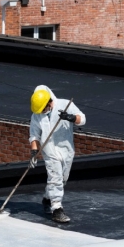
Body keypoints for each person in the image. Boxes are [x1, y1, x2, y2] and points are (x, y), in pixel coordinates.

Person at [29, 85, 86, 223]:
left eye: (44, 108)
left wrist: (71, 118)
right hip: (49, 149)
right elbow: (34, 135)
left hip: (66, 149)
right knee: (55, 178)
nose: (42, 112)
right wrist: (34, 152)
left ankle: (47, 198)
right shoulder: (37, 115)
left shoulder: (65, 104)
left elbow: (83, 119)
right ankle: (57, 209)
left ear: (49, 101)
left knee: (63, 179)